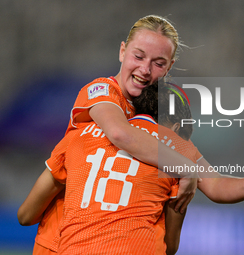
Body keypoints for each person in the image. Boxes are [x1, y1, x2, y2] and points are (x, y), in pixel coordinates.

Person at [22, 14, 200, 255]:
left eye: (158, 63)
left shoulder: (150, 125)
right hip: (63, 239)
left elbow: (26, 214)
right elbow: (119, 133)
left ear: (169, 67)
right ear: (122, 51)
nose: (145, 69)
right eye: (138, 56)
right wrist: (187, 167)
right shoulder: (102, 91)